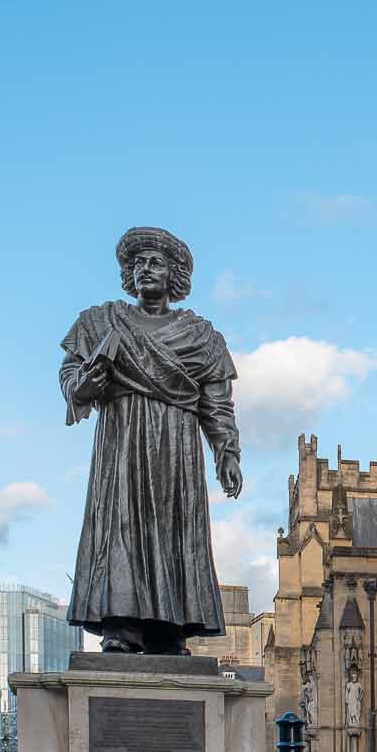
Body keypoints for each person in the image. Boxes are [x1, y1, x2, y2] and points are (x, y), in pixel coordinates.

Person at [60, 227, 242, 654]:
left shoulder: (201, 337)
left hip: (176, 448)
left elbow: (217, 402)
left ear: (174, 274)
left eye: (155, 262)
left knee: (175, 528)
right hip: (121, 442)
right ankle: (122, 627)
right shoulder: (101, 322)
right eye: (138, 263)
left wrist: (226, 450)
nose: (145, 269)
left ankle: (169, 628)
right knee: (121, 526)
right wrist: (84, 385)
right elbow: (70, 376)